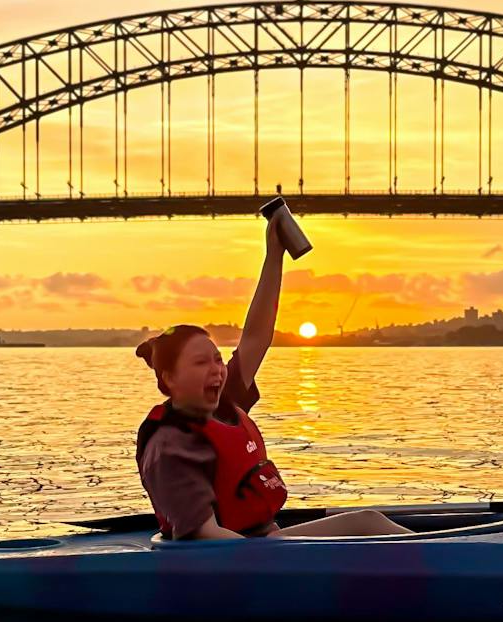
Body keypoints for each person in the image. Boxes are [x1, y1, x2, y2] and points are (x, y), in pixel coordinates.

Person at [134, 216, 412, 541]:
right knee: (368, 526)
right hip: (242, 564)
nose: (216, 370)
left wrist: (274, 253)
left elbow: (255, 338)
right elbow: (204, 537)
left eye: (217, 359)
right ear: (170, 378)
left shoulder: (223, 404)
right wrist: (278, 561)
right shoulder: (170, 444)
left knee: (368, 520)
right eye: (200, 363)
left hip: (267, 548)